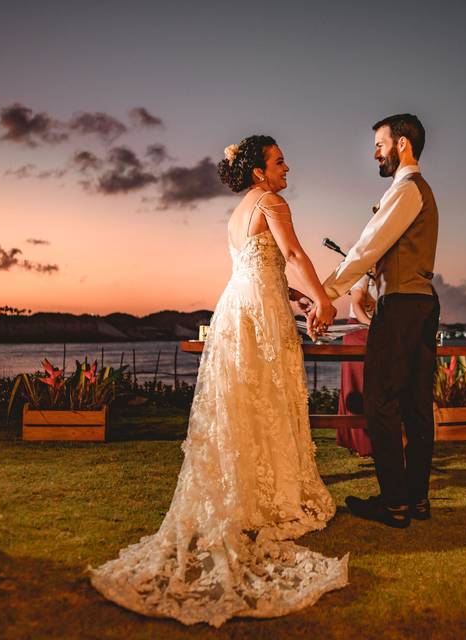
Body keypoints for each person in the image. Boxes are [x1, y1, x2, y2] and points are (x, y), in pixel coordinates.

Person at [90, 135, 347, 627]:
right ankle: (272, 498)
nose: (286, 166)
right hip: (259, 312)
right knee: (267, 396)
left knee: (245, 401)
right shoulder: (273, 201)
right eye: (278, 160)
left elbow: (261, 265)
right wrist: (323, 300)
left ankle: (249, 493)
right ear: (258, 172)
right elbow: (290, 253)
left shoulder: (237, 213)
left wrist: (296, 297)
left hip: (235, 309)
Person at [317, 113, 440, 529]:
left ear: (402, 143)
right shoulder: (415, 192)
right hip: (421, 303)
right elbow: (387, 255)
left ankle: (394, 503)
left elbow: (368, 247)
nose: (375, 152)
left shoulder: (406, 191)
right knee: (417, 406)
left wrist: (325, 293)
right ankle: (417, 499)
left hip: (402, 306)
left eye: (379, 143)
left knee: (380, 403)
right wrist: (366, 286)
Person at [336, 273, 375, 456]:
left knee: (374, 388)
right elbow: (357, 304)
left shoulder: (390, 273)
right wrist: (373, 324)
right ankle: (362, 444)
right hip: (359, 332)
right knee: (357, 387)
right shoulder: (363, 271)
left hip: (376, 333)